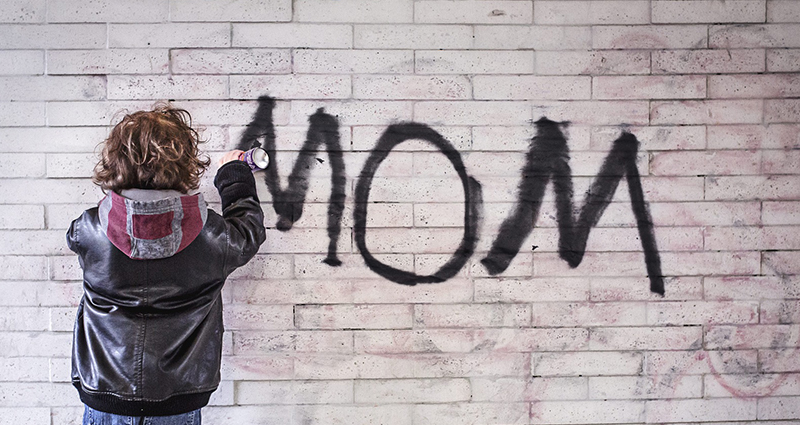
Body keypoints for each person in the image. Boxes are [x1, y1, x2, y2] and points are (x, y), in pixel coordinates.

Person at [66, 105, 266, 424]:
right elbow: (248, 232)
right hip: (178, 399)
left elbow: (82, 234)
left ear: (117, 160)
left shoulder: (88, 230)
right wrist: (234, 174)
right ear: (184, 162)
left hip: (106, 395)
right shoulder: (212, 236)